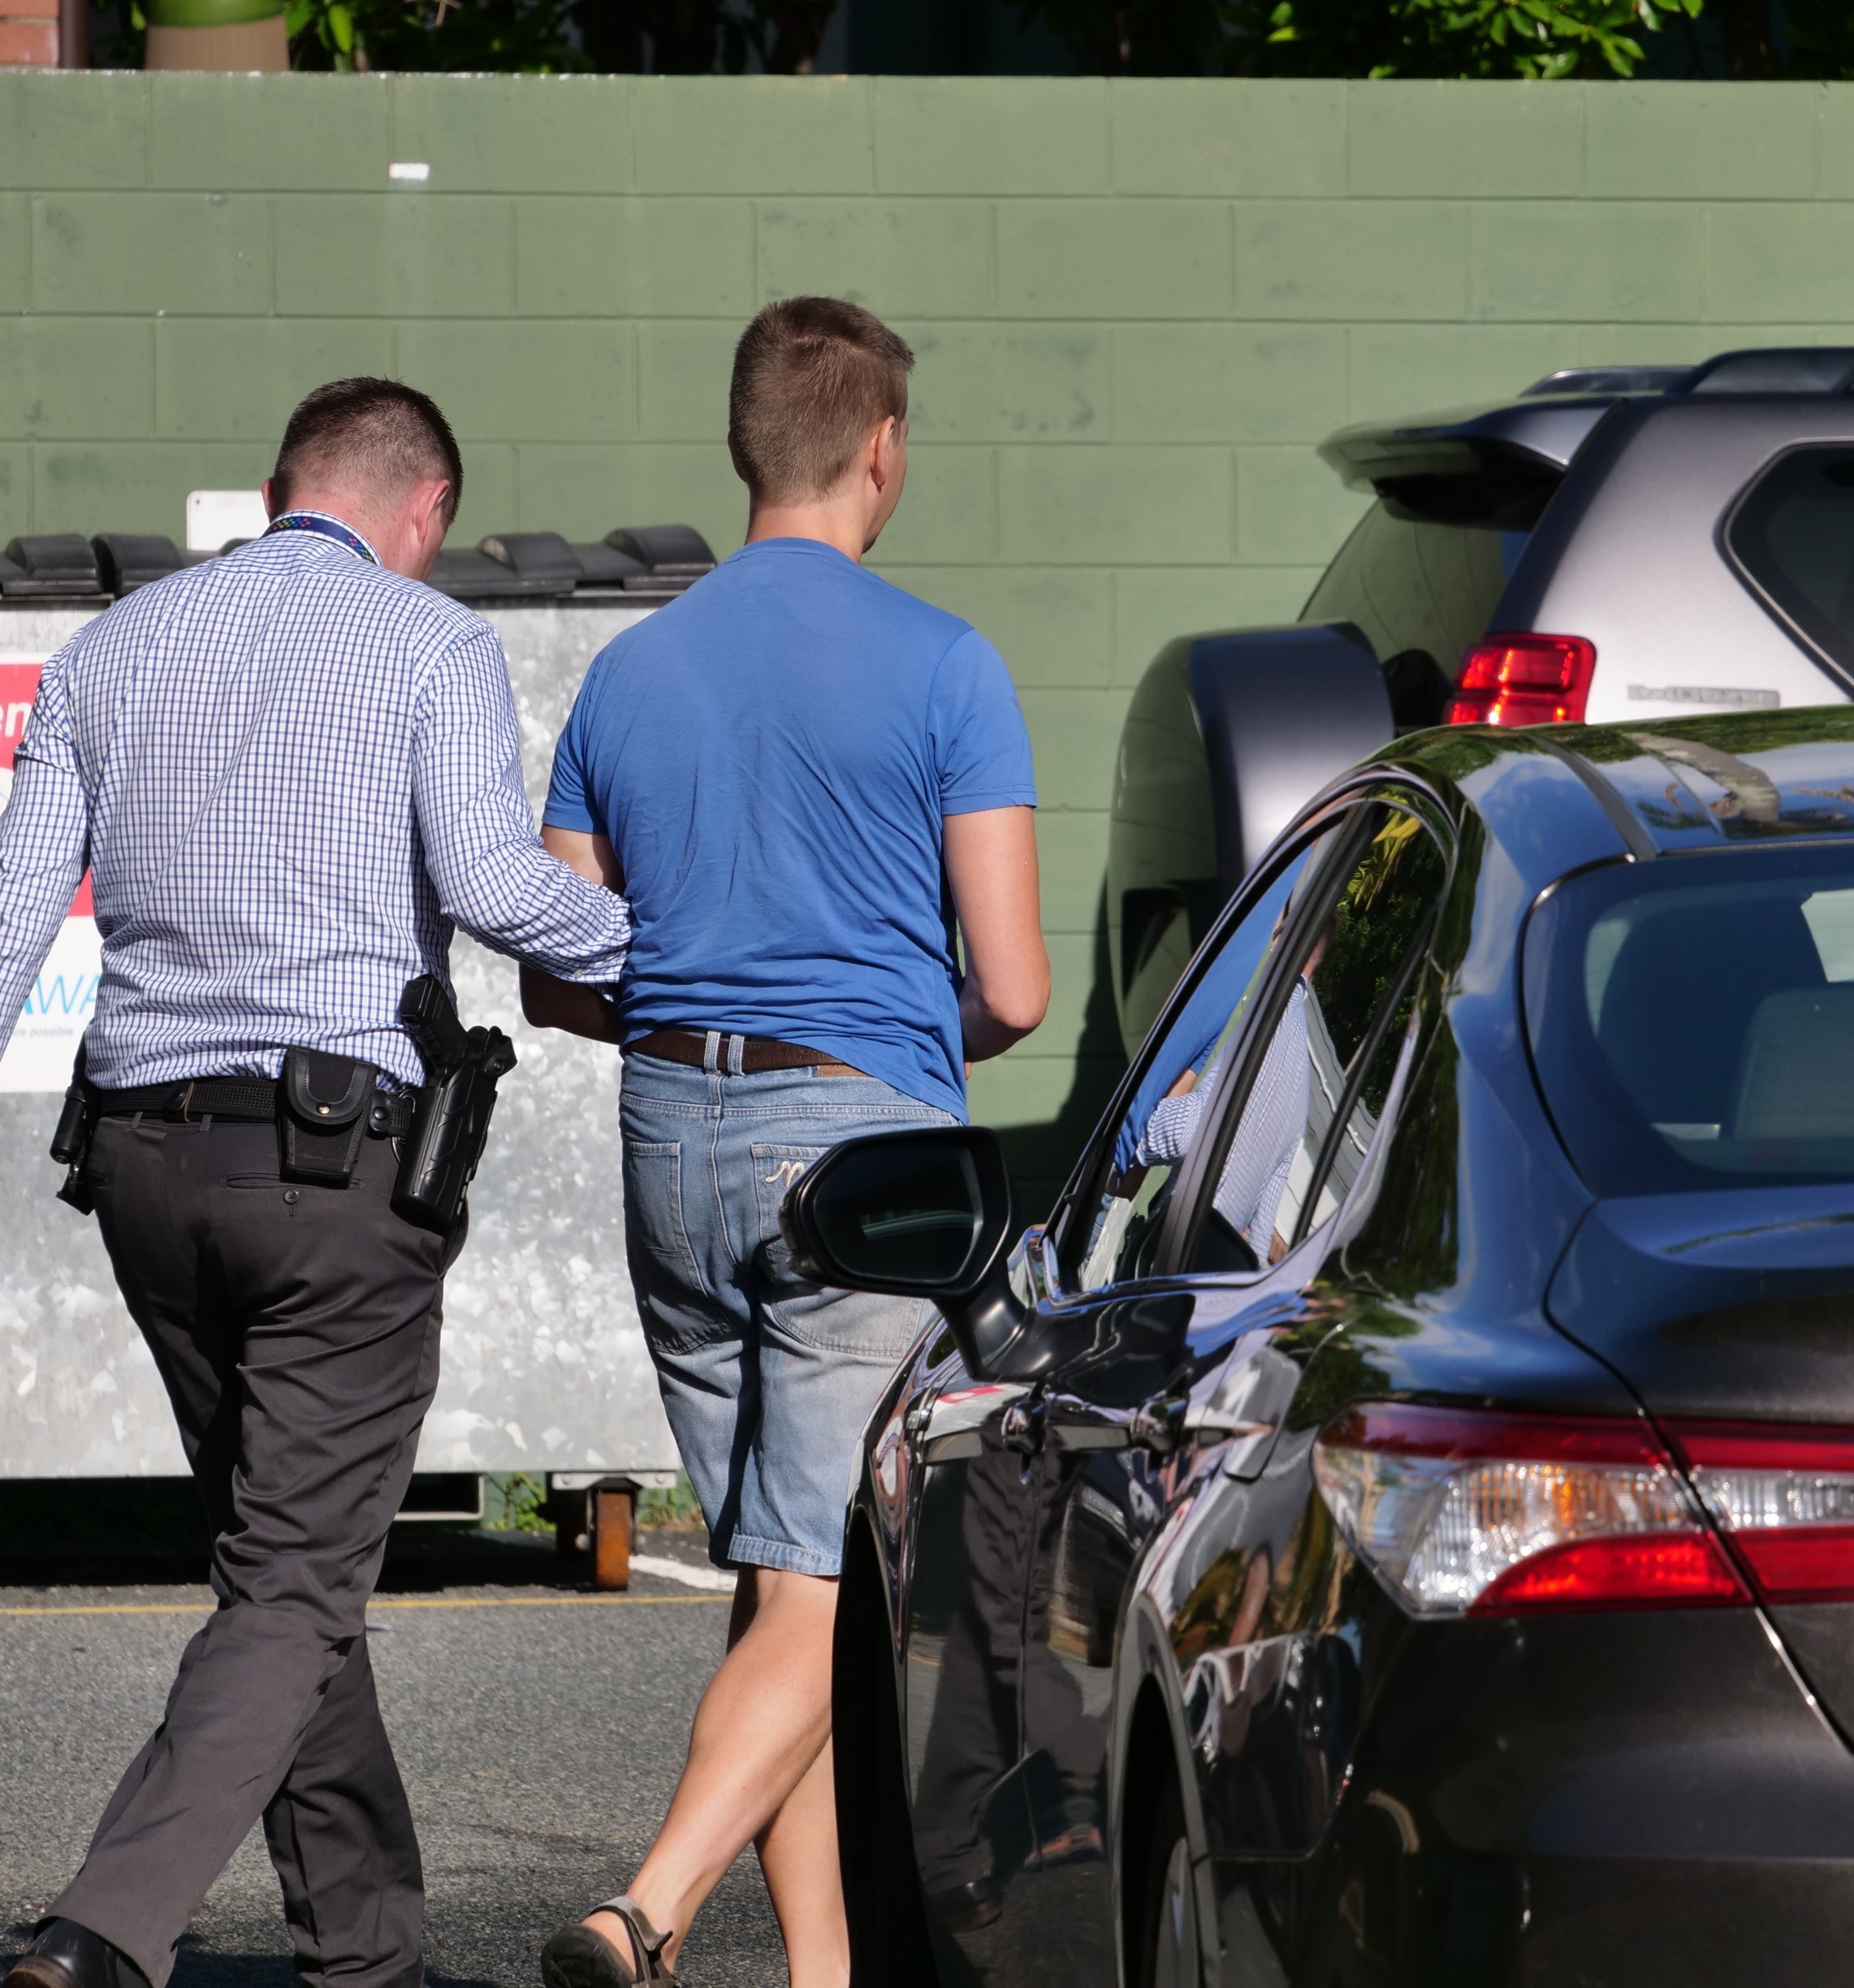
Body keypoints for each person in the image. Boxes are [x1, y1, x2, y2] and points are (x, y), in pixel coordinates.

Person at [0, 378, 632, 1988]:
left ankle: (370, 1959)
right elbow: (486, 884)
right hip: (335, 1186)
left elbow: (1, 926)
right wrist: (695, 954)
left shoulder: (113, 650)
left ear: (280, 491)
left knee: (285, 1577)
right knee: (295, 1585)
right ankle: (107, 1931)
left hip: (142, 1174)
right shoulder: (429, 642)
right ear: (421, 516)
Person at [522, 296, 1052, 1988]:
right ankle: (651, 1904)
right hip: (859, 1162)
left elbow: (557, 971)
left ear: (745, 444)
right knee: (818, 1586)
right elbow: (1020, 990)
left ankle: (822, 1979)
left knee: (780, 1581)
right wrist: (888, 1045)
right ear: (883, 447)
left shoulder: (628, 669)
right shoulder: (948, 665)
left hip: (668, 1131)